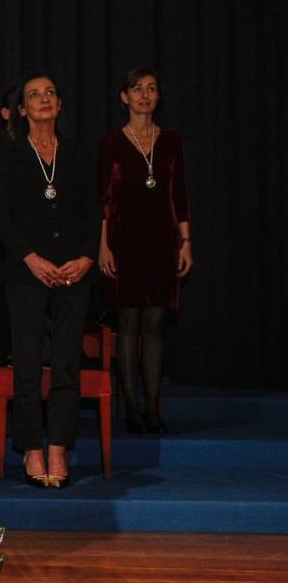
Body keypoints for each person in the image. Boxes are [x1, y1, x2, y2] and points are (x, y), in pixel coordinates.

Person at [0, 74, 99, 488]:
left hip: (75, 272)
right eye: (34, 95)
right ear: (21, 109)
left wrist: (87, 257)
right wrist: (30, 258)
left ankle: (60, 449)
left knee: (68, 363)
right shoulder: (10, 154)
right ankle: (32, 450)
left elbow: (94, 209)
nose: (43, 99)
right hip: (26, 272)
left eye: (50, 93)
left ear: (59, 104)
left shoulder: (75, 154)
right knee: (29, 366)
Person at [97, 67, 192, 434]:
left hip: (161, 240)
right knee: (129, 323)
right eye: (137, 89)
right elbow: (103, 199)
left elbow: (179, 194)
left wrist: (186, 241)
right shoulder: (111, 142)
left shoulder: (171, 141)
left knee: (154, 323)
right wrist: (103, 244)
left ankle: (153, 407)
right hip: (123, 238)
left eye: (151, 88)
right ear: (124, 97)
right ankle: (131, 408)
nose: (145, 95)